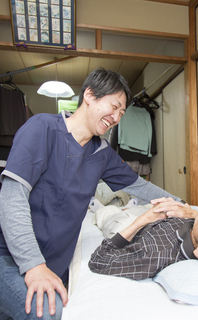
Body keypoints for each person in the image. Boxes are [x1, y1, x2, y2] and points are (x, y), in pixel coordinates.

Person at [0, 68, 183, 320]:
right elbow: (11, 199)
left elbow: (140, 187)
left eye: (121, 113)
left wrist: (182, 205)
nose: (117, 117)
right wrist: (34, 265)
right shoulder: (42, 128)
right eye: (114, 106)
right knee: (48, 312)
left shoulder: (102, 153)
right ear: (89, 95)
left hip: (53, 262)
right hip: (10, 256)